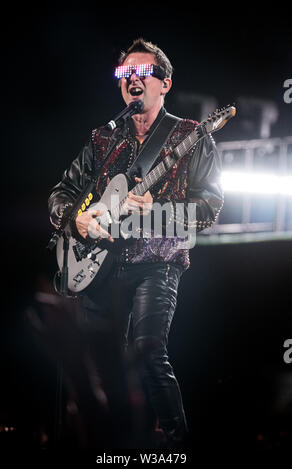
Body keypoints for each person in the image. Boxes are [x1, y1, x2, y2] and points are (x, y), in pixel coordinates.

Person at [48, 38, 223, 449]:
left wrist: (160, 207)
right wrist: (77, 218)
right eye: (125, 74)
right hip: (97, 268)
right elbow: (61, 193)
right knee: (93, 367)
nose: (133, 80)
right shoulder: (103, 139)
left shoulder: (192, 137)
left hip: (156, 262)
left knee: (147, 351)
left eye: (143, 72)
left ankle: (177, 446)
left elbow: (210, 209)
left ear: (165, 83)